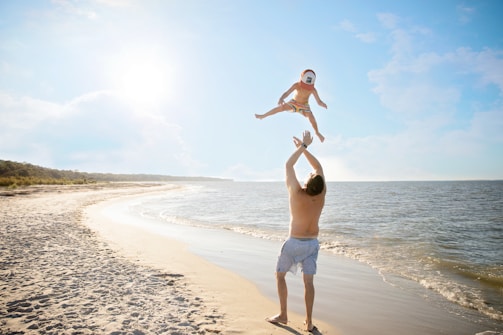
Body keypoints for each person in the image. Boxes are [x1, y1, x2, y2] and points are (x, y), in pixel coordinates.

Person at [266, 130, 326, 332]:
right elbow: (318, 167)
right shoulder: (321, 194)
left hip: (293, 244)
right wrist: (304, 148)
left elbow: (288, 165)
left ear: (306, 183)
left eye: (309, 176)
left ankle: (283, 314)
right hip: (312, 245)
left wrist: (302, 147)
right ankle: (308, 322)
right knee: (308, 282)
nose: (311, 173)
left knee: (280, 276)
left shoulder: (296, 194)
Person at [255, 69, 328, 143]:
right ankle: (263, 116)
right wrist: (281, 98)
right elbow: (287, 93)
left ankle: (317, 132)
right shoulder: (297, 85)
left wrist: (322, 104)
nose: (305, 88)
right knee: (281, 108)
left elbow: (318, 101)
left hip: (304, 106)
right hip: (294, 103)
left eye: (307, 87)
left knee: (311, 116)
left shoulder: (313, 90)